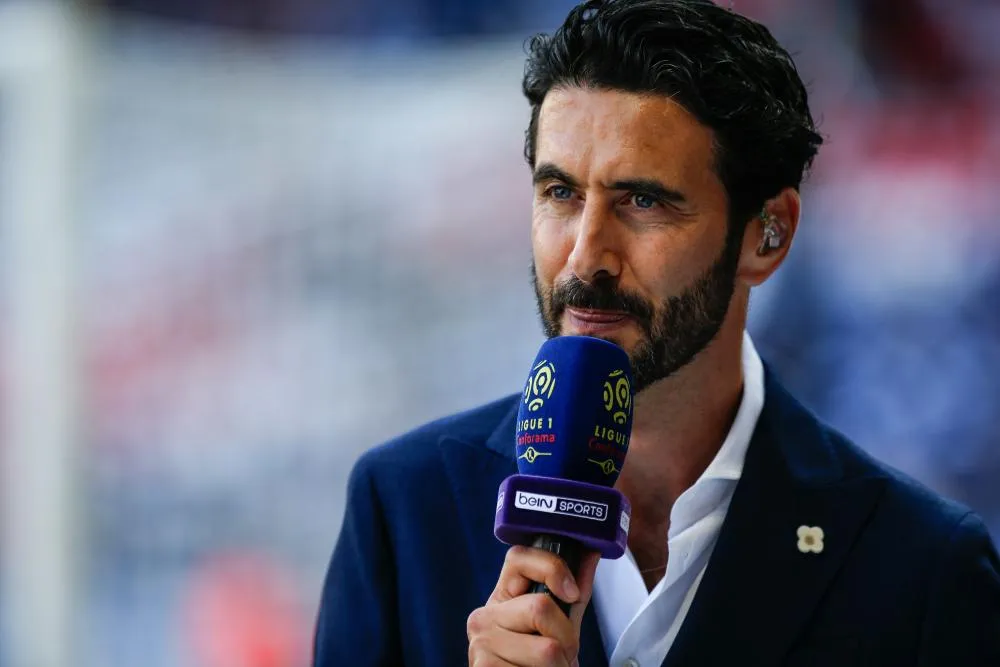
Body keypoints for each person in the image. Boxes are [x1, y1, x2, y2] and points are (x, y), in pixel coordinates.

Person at [312, 1, 1000, 665]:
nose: (586, 258)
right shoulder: (403, 509)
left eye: (642, 201)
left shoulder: (921, 567)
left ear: (767, 235)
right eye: (560, 194)